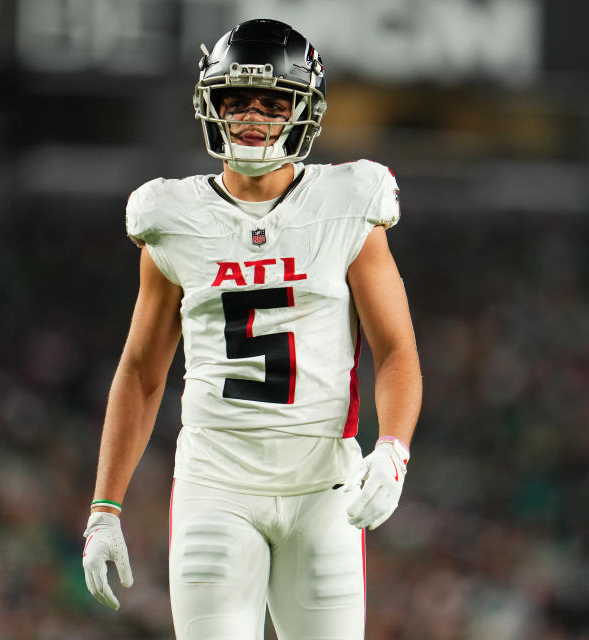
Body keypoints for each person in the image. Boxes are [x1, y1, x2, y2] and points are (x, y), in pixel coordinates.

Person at [81, 17, 422, 639]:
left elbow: (396, 348)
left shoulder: (349, 204)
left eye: (273, 101)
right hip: (218, 485)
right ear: (210, 106)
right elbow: (140, 370)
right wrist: (105, 507)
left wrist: (394, 448)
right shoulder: (172, 216)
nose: (252, 117)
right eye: (236, 101)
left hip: (324, 486)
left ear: (305, 110)